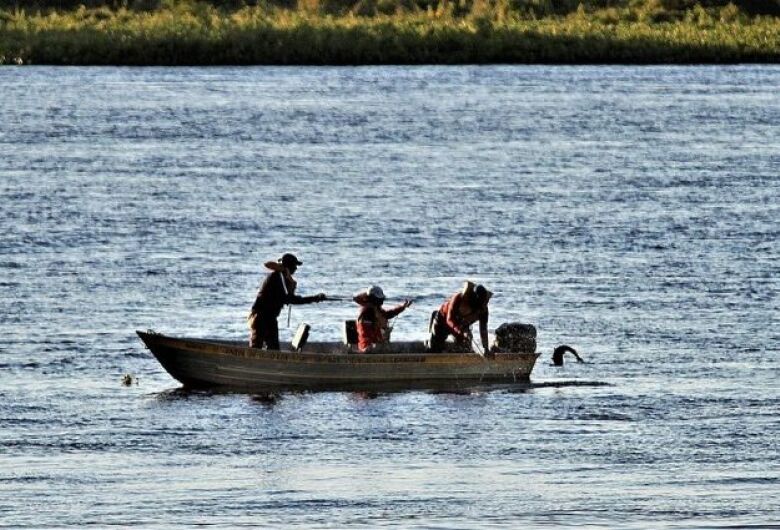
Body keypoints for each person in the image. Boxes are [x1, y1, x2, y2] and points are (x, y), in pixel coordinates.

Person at [248, 253, 326, 350]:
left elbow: (289, 297)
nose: (296, 269)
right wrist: (314, 298)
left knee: (274, 350)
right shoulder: (277, 278)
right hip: (261, 318)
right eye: (294, 266)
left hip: (269, 318)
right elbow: (289, 299)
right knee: (256, 350)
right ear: (289, 266)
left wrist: (292, 283)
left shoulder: (283, 278)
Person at [429, 281, 492, 353]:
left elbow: (483, 329)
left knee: (466, 349)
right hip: (442, 321)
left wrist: (486, 348)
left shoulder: (483, 309)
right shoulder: (458, 298)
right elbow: (449, 320)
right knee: (434, 348)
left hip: (462, 326)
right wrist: (461, 331)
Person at [354, 285, 412, 353]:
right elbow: (365, 335)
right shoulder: (366, 312)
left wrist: (402, 307)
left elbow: (387, 314)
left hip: (375, 345)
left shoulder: (376, 309)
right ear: (373, 298)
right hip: (368, 348)